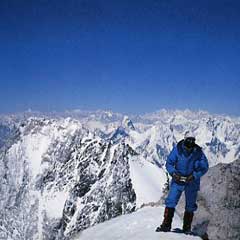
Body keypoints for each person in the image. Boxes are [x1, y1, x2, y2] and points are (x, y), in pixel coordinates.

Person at [156, 131, 209, 233]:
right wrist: (174, 173)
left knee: (190, 205)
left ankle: (186, 228)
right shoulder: (178, 150)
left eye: (192, 140)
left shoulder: (198, 152)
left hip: (192, 181)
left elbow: (205, 167)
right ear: (184, 140)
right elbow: (169, 163)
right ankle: (166, 225)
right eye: (188, 139)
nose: (190, 142)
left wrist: (194, 176)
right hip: (178, 179)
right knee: (171, 201)